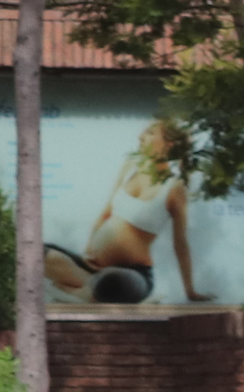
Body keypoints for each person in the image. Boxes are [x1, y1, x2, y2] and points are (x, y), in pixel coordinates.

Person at [44, 120, 215, 305]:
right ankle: (83, 293)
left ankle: (75, 292)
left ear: (169, 144)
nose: (140, 137)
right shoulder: (130, 167)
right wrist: (88, 252)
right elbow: (106, 213)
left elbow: (180, 244)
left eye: (150, 133)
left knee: (112, 282)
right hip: (93, 269)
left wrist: (190, 291)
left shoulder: (174, 188)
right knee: (36, 253)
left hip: (132, 274)